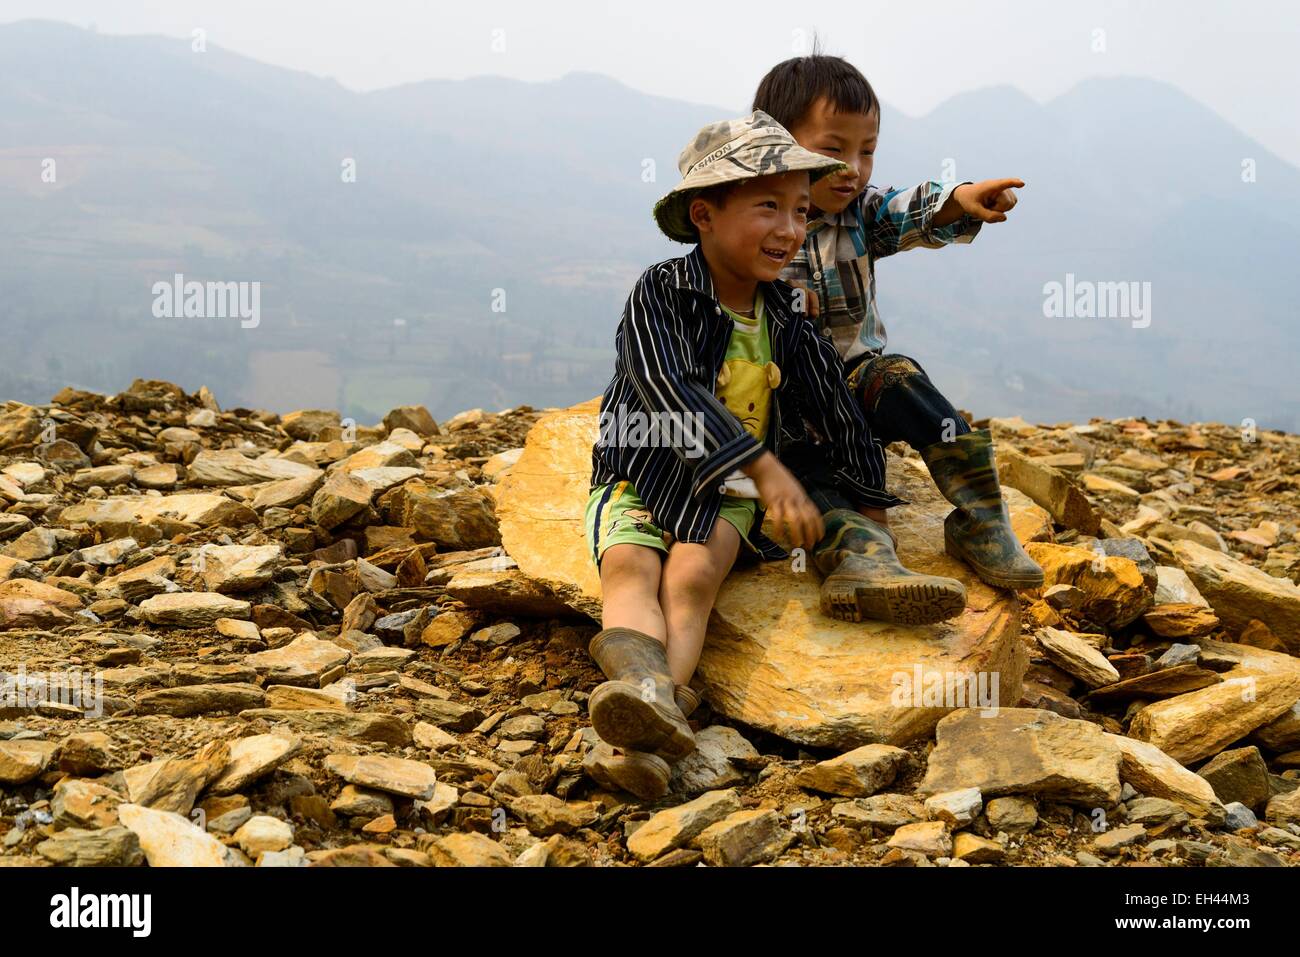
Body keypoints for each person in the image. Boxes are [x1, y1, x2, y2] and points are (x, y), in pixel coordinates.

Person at [582, 111, 907, 799]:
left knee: (694, 576)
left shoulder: (786, 314)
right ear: (704, 214)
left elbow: (835, 409)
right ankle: (653, 702)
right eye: (768, 206)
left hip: (727, 489)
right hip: (638, 469)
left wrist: (870, 505)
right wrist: (762, 465)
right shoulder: (661, 293)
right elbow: (664, 385)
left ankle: (650, 717)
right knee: (629, 565)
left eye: (798, 209)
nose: (790, 229)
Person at [750, 52, 1045, 625]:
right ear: (775, 143)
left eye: (867, 150)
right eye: (833, 149)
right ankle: (864, 563)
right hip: (785, 409)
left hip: (858, 387)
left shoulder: (857, 214)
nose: (853, 168)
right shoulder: (752, 221)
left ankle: (981, 520)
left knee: (901, 376)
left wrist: (959, 199)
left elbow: (905, 210)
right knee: (814, 480)